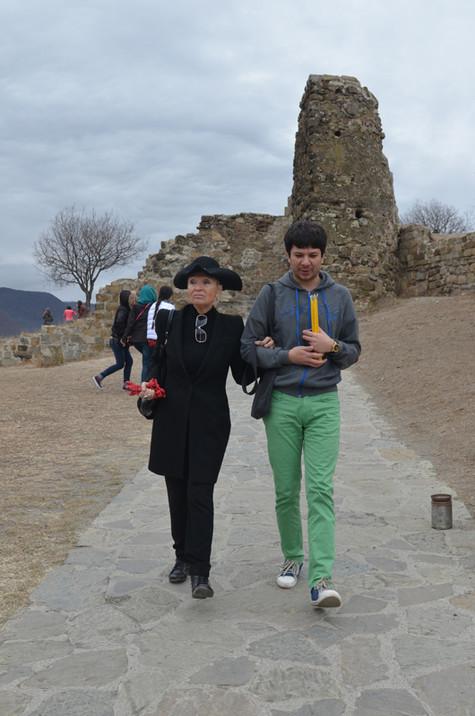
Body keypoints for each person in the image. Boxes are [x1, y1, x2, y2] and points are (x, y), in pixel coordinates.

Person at [241, 219, 361, 609]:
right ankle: (292, 556)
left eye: (312, 255)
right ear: (288, 255)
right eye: (298, 255)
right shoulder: (272, 294)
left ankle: (321, 578)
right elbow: (247, 347)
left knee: (321, 488)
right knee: (286, 489)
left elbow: (354, 350)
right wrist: (285, 355)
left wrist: (333, 346)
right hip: (282, 402)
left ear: (323, 256)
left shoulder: (340, 296)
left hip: (324, 402)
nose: (305, 262)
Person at [140, 257, 250, 599]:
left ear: (219, 289)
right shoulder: (169, 320)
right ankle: (182, 557)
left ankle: (201, 571)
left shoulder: (232, 326)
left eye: (206, 282)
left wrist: (261, 353)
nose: (198, 288)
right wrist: (148, 388)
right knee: (177, 493)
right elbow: (157, 364)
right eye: (193, 282)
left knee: (200, 494)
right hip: (171, 420)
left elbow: (242, 375)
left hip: (209, 423)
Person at [92, 290, 133, 390]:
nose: (132, 300)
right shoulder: (123, 310)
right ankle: (99, 377)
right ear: (125, 299)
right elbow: (119, 324)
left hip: (121, 341)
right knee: (120, 364)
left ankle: (126, 383)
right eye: (130, 298)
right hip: (117, 341)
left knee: (129, 361)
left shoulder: (126, 309)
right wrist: (123, 338)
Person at [122, 284, 157, 382]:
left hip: (136, 340)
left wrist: (125, 337)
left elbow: (130, 323)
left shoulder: (136, 307)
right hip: (147, 339)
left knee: (148, 360)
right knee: (147, 362)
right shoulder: (154, 307)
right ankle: (144, 384)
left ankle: (148, 382)